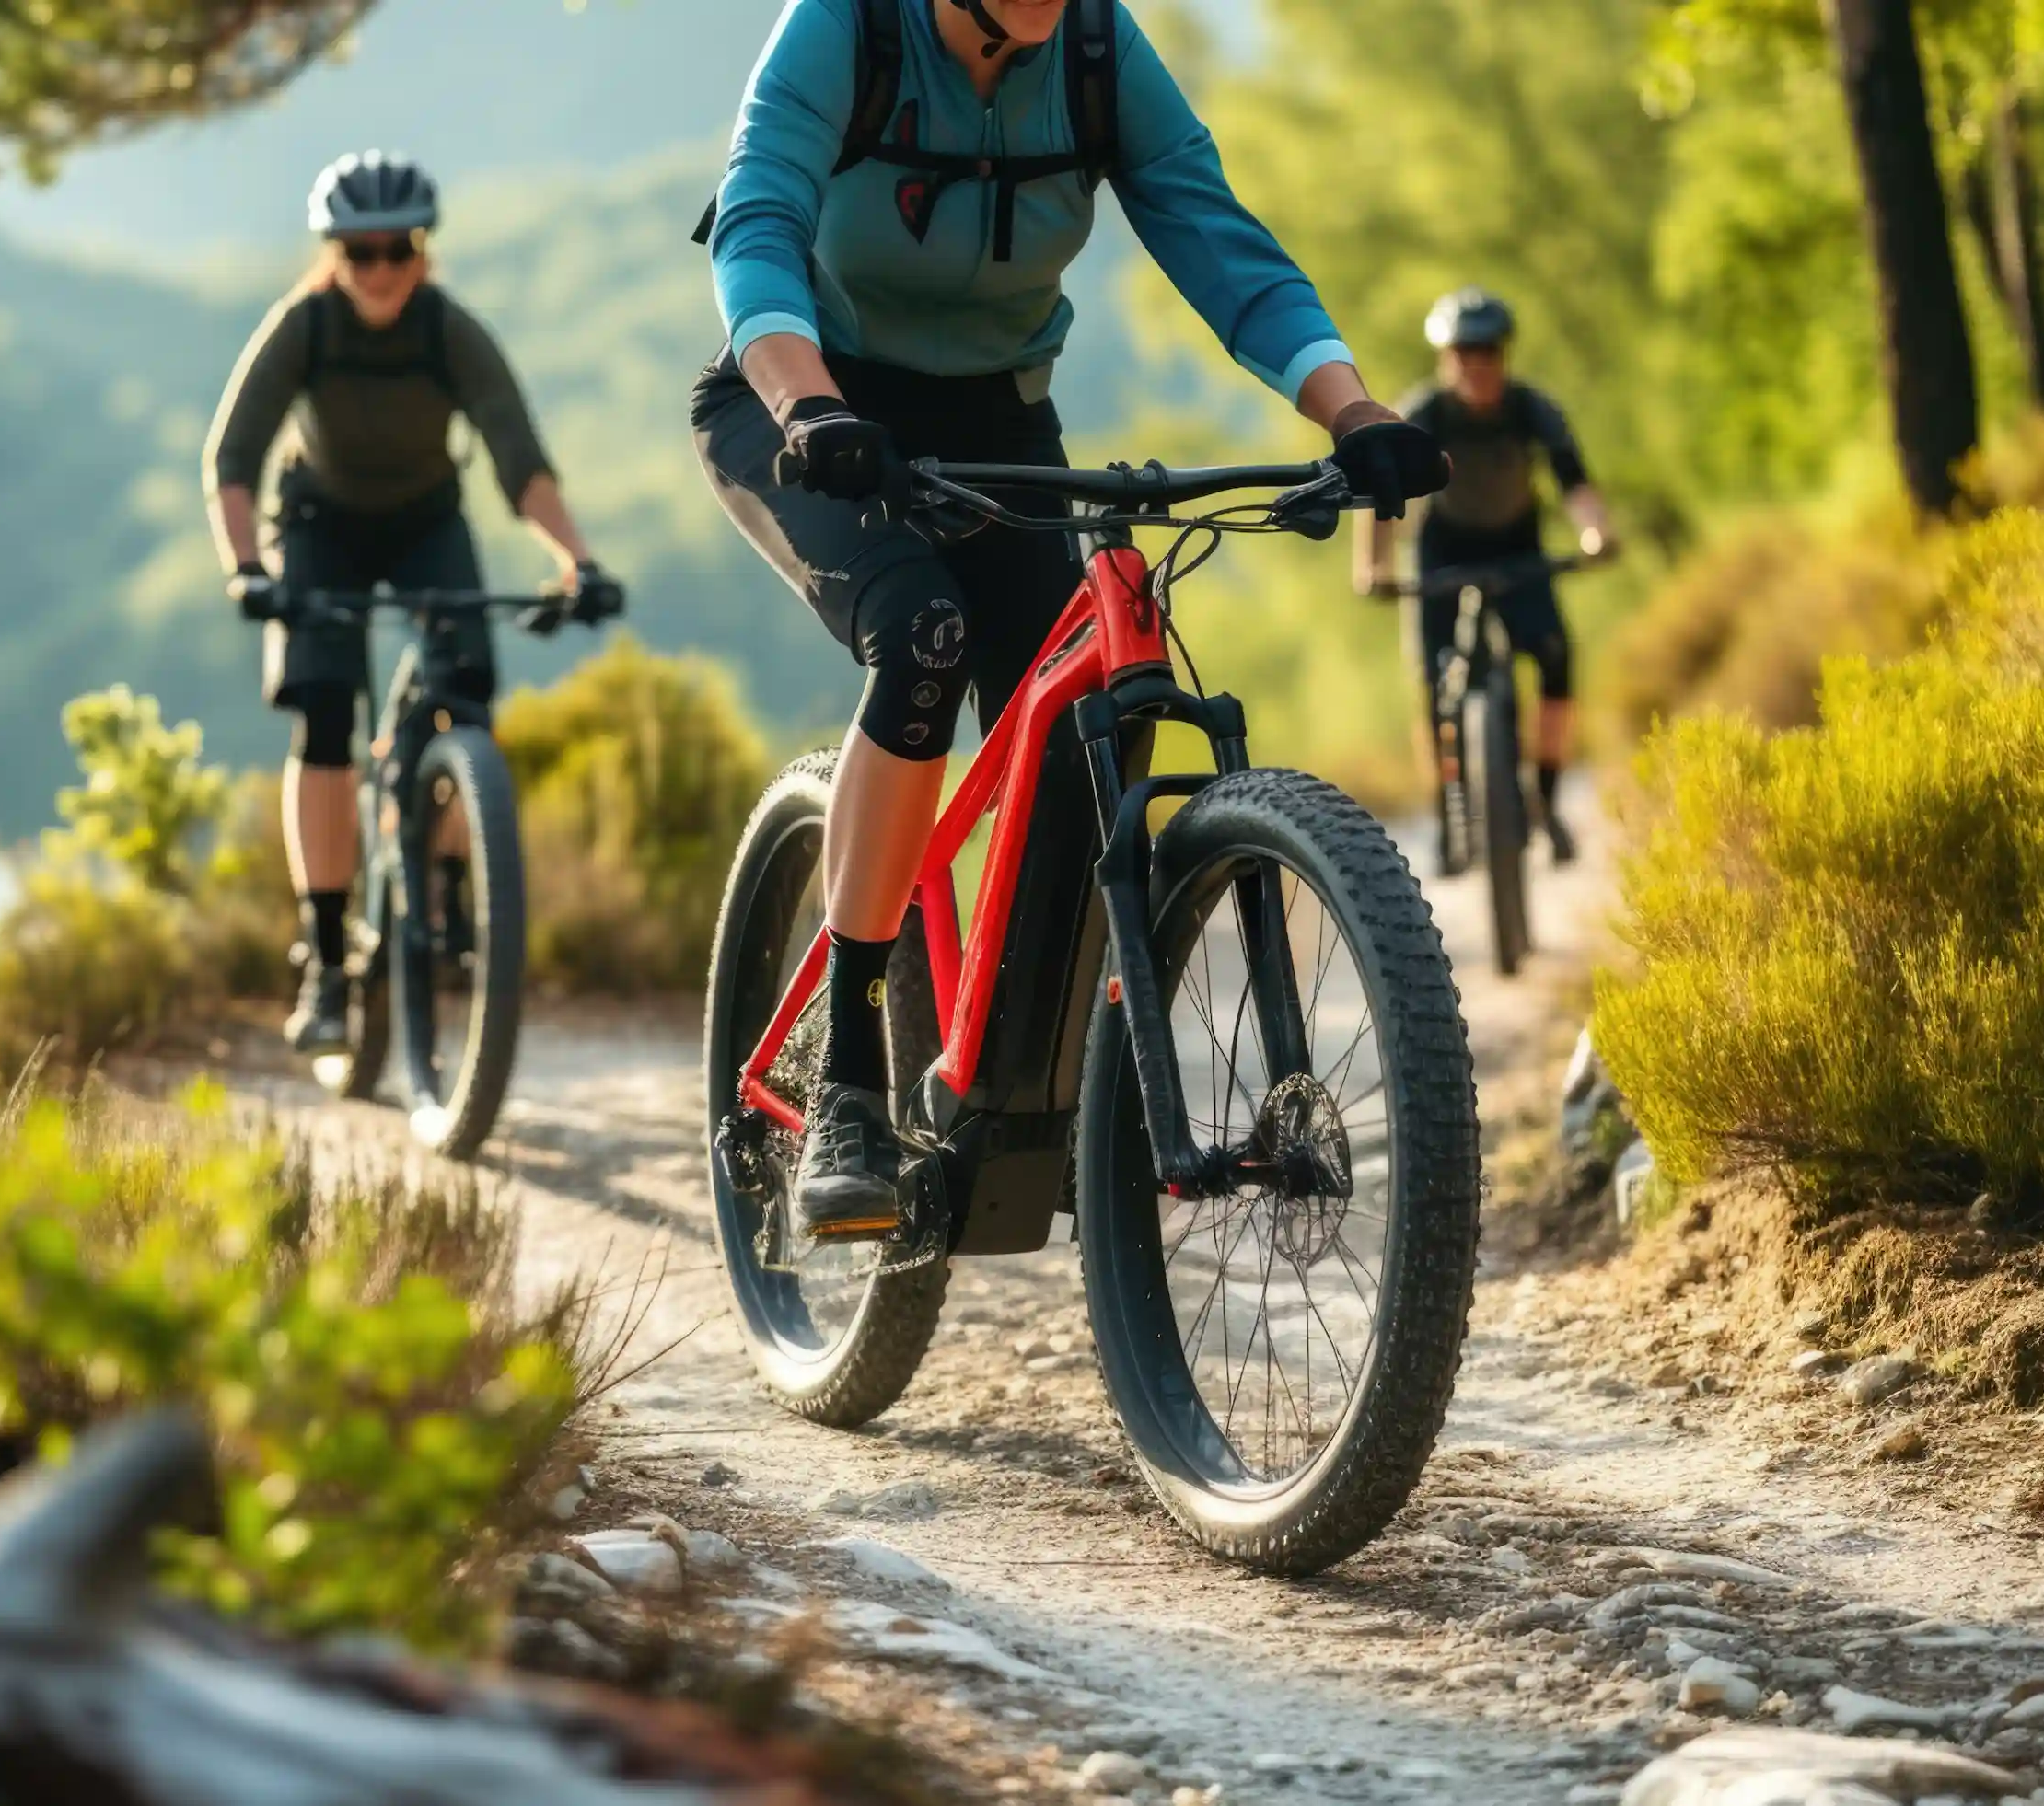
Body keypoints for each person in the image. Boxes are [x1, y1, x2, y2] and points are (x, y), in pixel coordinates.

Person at [691, 0, 1449, 1242]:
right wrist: (810, 404)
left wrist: (1351, 410)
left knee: (1081, 712)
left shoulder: (1096, 49)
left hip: (994, 420)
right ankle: (849, 1076)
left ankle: (1039, 1082)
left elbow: (1213, 235)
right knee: (923, 635)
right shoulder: (849, 25)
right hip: (802, 401)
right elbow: (760, 215)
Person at [207, 151, 621, 1054]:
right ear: (332, 256)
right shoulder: (304, 328)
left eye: (400, 249)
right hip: (318, 525)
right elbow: (232, 460)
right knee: (321, 713)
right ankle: (323, 956)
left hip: (425, 520)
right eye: (361, 253)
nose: (383, 269)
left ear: (424, 250)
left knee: (463, 690)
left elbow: (518, 459)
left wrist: (576, 563)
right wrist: (247, 568)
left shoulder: (447, 332)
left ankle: (443, 886)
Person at [1353, 287, 1614, 866]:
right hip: (1442, 550)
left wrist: (1596, 532)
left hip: (1516, 544)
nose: (1477, 362)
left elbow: (1574, 480)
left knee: (1553, 655)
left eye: (1488, 350)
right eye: (1463, 351)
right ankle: (1449, 806)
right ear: (1446, 357)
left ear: (1504, 353)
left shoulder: (1532, 409)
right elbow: (1381, 497)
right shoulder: (1423, 413)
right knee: (1434, 679)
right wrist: (1373, 567)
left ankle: (1544, 803)